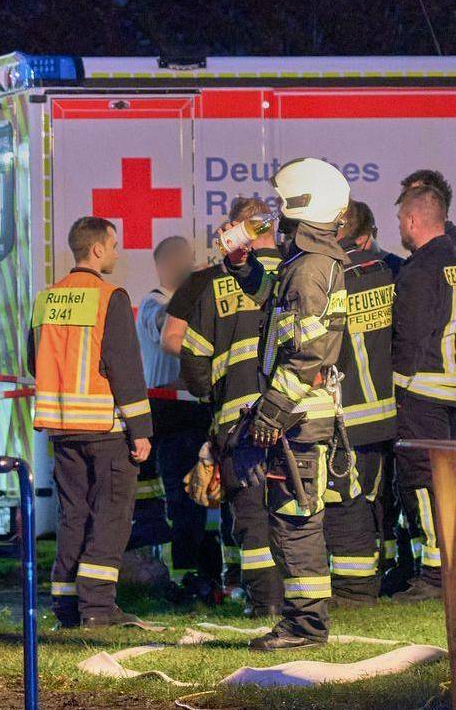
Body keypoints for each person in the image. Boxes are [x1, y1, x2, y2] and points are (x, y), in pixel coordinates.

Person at [247, 158, 353, 650]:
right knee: (291, 516)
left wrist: (272, 407)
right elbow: (273, 306)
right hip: (301, 416)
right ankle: (300, 620)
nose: (277, 214)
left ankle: (306, 625)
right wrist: (243, 267)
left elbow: (312, 353)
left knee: (296, 520)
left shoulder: (311, 270)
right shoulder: (306, 265)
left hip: (300, 418)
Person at [31, 216, 153, 628]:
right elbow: (125, 368)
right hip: (105, 428)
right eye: (114, 245)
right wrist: (142, 431)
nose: (117, 253)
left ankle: (66, 605)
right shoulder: (109, 297)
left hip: (62, 429)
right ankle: (99, 609)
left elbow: (31, 362)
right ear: (97, 249)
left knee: (73, 515)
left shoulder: (46, 299)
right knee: (112, 516)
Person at [174, 198, 283, 616]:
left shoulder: (216, 285)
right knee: (296, 507)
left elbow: (194, 363)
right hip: (296, 415)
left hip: (238, 421)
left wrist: (211, 401)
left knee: (252, 514)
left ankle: (265, 603)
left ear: (242, 228)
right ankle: (304, 597)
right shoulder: (296, 271)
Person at [389, 170, 456, 601]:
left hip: (422, 390)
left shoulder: (418, 270)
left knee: (422, 480)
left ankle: (434, 574)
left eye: (401, 222)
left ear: (413, 221)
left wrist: (396, 385)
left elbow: (407, 334)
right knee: (451, 480)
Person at [139, 234, 220, 602]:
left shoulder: (193, 302)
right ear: (164, 265)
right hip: (170, 416)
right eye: (182, 262)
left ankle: (209, 575)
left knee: (206, 496)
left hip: (198, 411)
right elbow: (170, 333)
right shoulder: (154, 303)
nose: (189, 268)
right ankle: (182, 578)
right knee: (182, 499)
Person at [324, 201, 396, 608]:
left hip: (345, 411)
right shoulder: (392, 271)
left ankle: (354, 590)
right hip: (384, 411)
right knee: (376, 499)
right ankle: (378, 576)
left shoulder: (332, 276)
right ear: (367, 236)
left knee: (345, 501)